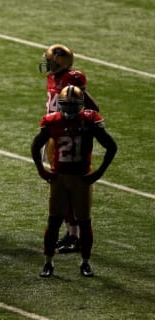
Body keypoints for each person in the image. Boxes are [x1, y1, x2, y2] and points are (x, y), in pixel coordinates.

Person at [31, 85, 117, 277]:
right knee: (54, 222)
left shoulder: (90, 120)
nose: (69, 109)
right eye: (65, 105)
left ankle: (85, 262)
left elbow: (111, 146)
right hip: (59, 178)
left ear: (81, 105)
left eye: (73, 105)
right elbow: (35, 146)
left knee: (84, 222)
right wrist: (40, 170)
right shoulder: (52, 121)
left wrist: (98, 173)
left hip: (80, 178)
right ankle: (48, 262)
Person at [38, 44, 99, 253]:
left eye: (50, 59)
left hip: (65, 136)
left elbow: (92, 107)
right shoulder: (52, 78)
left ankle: (75, 235)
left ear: (59, 61)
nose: (47, 63)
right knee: (60, 187)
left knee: (67, 186)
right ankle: (70, 233)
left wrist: (76, 128)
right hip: (55, 134)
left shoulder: (72, 79)